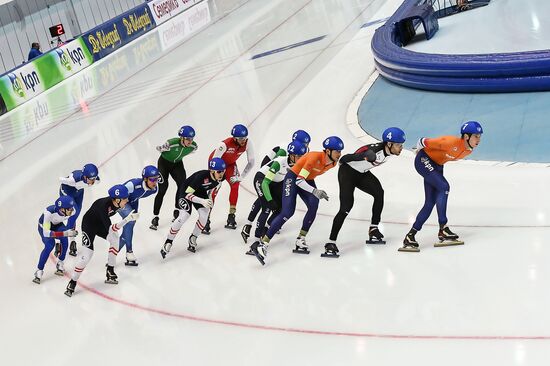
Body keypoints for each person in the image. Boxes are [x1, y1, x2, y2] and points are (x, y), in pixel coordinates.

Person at [251, 136, 344, 265]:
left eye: (340, 151)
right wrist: (315, 191)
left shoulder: (333, 163)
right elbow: (299, 180)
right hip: (294, 177)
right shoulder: (313, 158)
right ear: (328, 151)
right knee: (288, 211)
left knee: (314, 205)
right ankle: (263, 244)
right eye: (337, 151)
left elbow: (306, 179)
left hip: (306, 178)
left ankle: (301, 238)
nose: (339, 154)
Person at [400, 121, 483, 252]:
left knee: (430, 202)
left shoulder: (468, 150)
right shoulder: (448, 142)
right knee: (444, 187)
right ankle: (443, 227)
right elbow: (422, 141)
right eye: (476, 136)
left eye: (480, 136)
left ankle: (411, 236)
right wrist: (418, 151)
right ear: (466, 136)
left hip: (437, 166)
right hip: (424, 160)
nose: (479, 139)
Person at [324, 128, 406, 257]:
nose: (401, 148)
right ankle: (331, 242)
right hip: (347, 173)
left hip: (362, 173)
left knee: (379, 193)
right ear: (389, 144)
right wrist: (365, 155)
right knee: (346, 208)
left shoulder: (388, 151)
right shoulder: (374, 151)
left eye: (402, 145)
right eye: (398, 145)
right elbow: (345, 158)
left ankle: (373, 228)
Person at [64, 185, 138, 297]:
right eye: (125, 199)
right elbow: (111, 229)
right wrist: (127, 219)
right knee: (88, 254)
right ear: (117, 200)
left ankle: (110, 270)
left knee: (114, 239)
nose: (127, 200)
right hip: (89, 225)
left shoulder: (116, 204)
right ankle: (72, 282)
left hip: (99, 223)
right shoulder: (103, 206)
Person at [241, 130, 311, 243]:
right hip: (266, 174)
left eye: (307, 144)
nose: (306, 147)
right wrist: (269, 199)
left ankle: (266, 227)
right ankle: (249, 228)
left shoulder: (301, 153)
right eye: (304, 144)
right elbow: (268, 179)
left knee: (281, 206)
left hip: (279, 176)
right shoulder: (284, 154)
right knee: (265, 203)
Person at [160, 158, 226, 258]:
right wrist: (202, 201)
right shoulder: (201, 177)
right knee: (184, 216)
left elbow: (213, 190)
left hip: (200, 192)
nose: (221, 174)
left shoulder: (221, 178)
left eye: (223, 171)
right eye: (219, 172)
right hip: (186, 192)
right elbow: (187, 194)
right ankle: (168, 241)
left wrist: (209, 200)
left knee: (204, 215)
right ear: (212, 171)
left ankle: (193, 237)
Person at [206, 124, 255, 232]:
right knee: (214, 189)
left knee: (235, 184)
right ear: (234, 138)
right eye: (241, 138)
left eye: (245, 137)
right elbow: (214, 161)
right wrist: (216, 176)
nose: (243, 140)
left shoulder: (247, 143)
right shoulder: (224, 144)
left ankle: (231, 215)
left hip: (230, 165)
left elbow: (251, 162)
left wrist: (241, 177)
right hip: (217, 165)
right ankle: (206, 218)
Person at [150, 125, 197, 230]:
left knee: (182, 186)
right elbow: (159, 149)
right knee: (163, 189)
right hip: (164, 164)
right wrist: (163, 147)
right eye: (188, 139)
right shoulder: (171, 143)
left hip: (177, 164)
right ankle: (155, 216)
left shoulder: (193, 146)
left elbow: (192, 150)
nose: (190, 141)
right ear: (181, 138)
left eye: (192, 139)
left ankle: (176, 210)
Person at [119, 165, 160, 266]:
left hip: (133, 202)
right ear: (145, 179)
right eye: (152, 179)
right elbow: (117, 194)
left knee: (128, 228)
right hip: (120, 201)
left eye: (157, 179)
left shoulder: (154, 189)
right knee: (131, 221)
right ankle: (129, 252)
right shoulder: (132, 185)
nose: (155, 182)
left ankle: (113, 251)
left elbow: (137, 196)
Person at [33, 196, 77, 284]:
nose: (72, 210)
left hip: (57, 224)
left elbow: (71, 223)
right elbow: (46, 233)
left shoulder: (72, 211)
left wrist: (70, 232)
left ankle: (60, 262)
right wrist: (65, 233)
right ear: (62, 209)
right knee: (49, 245)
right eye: (69, 209)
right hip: (44, 227)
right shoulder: (48, 213)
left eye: (72, 208)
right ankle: (39, 270)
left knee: (65, 241)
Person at [58, 163, 100, 257]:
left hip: (78, 193)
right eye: (90, 179)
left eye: (94, 179)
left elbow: (96, 180)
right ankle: (61, 234)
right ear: (84, 177)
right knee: (73, 213)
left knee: (75, 215)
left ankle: (72, 241)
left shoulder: (95, 180)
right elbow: (60, 179)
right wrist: (68, 180)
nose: (92, 182)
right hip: (67, 192)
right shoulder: (74, 179)